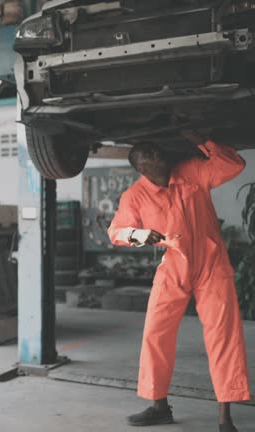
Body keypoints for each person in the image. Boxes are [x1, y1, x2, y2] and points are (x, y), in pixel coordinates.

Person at [108, 133, 250, 432]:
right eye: (150, 156)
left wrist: (202, 140)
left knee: (224, 337)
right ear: (142, 168)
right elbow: (117, 231)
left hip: (211, 263)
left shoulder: (192, 171)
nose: (159, 158)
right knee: (156, 335)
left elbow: (234, 165)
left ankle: (226, 419)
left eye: (158, 152)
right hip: (173, 265)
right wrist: (138, 235)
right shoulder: (135, 196)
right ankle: (159, 406)